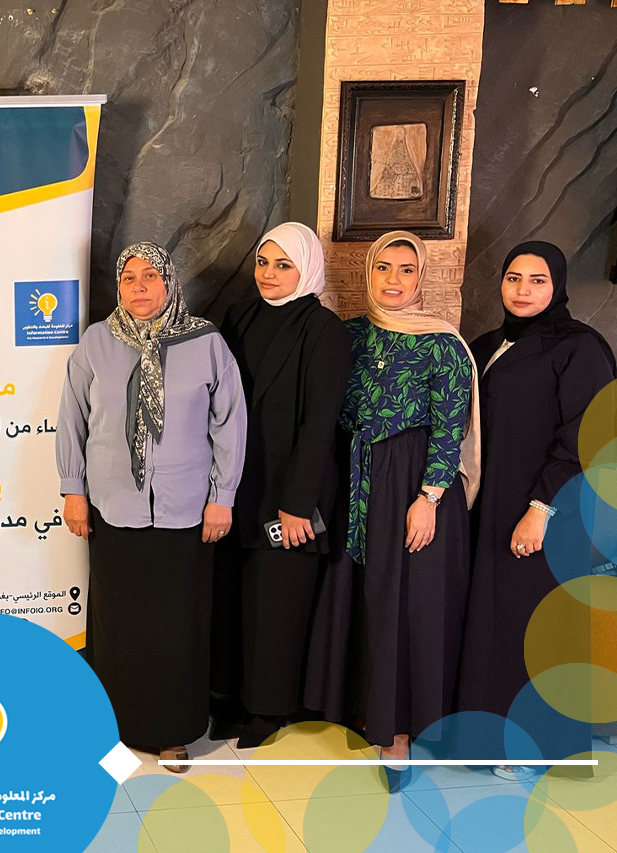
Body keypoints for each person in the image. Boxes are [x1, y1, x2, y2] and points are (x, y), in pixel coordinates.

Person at [56, 241, 247, 771]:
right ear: (118, 286)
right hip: (113, 508)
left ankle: (171, 733)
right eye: (128, 278)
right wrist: (73, 489)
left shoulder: (206, 342)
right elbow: (72, 418)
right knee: (117, 625)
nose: (139, 287)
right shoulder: (97, 342)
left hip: (185, 511)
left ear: (169, 282)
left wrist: (222, 498)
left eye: (150, 276)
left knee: (177, 627)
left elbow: (230, 423)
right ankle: (114, 727)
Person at [305, 230, 481, 793]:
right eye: (383, 267)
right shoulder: (349, 334)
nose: (394, 280)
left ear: (421, 277)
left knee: (404, 604)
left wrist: (428, 498)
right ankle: (362, 708)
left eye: (407, 269)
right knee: (360, 594)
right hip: (355, 479)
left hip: (412, 484)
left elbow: (451, 428)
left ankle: (398, 733)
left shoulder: (442, 343)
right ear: (368, 273)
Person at [457, 242, 615, 780]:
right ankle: (486, 741)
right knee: (494, 624)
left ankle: (537, 749)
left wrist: (540, 508)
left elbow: (587, 434)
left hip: (546, 513)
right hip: (490, 507)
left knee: (535, 629)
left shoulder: (578, 347)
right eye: (513, 278)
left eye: (538, 280)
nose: (522, 290)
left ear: (557, 285)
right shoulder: (487, 344)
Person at [211, 223, 351, 749]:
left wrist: (298, 504)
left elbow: (319, 425)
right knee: (234, 597)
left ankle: (268, 709)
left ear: (306, 269)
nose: (268, 274)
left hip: (289, 492)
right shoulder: (239, 317)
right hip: (237, 485)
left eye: (283, 265)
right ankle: (228, 698)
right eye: (263, 262)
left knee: (277, 605)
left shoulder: (325, 330)